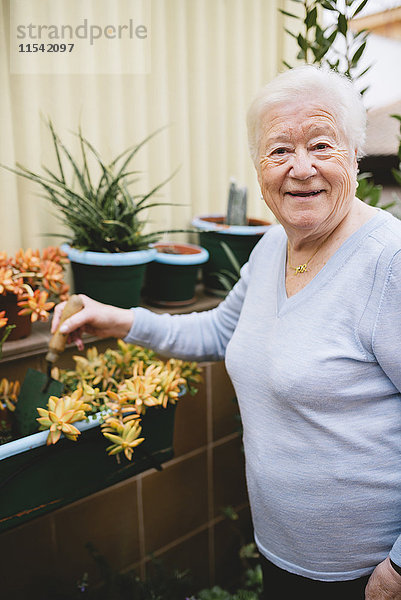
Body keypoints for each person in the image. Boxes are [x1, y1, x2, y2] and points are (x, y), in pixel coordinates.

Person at [53, 65, 401, 599]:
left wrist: (398, 569)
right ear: (258, 166)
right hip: (284, 558)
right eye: (279, 150)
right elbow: (222, 332)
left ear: (356, 154)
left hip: (364, 577)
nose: (300, 168)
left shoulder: (389, 262)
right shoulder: (271, 249)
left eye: (322, 145)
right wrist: (120, 319)